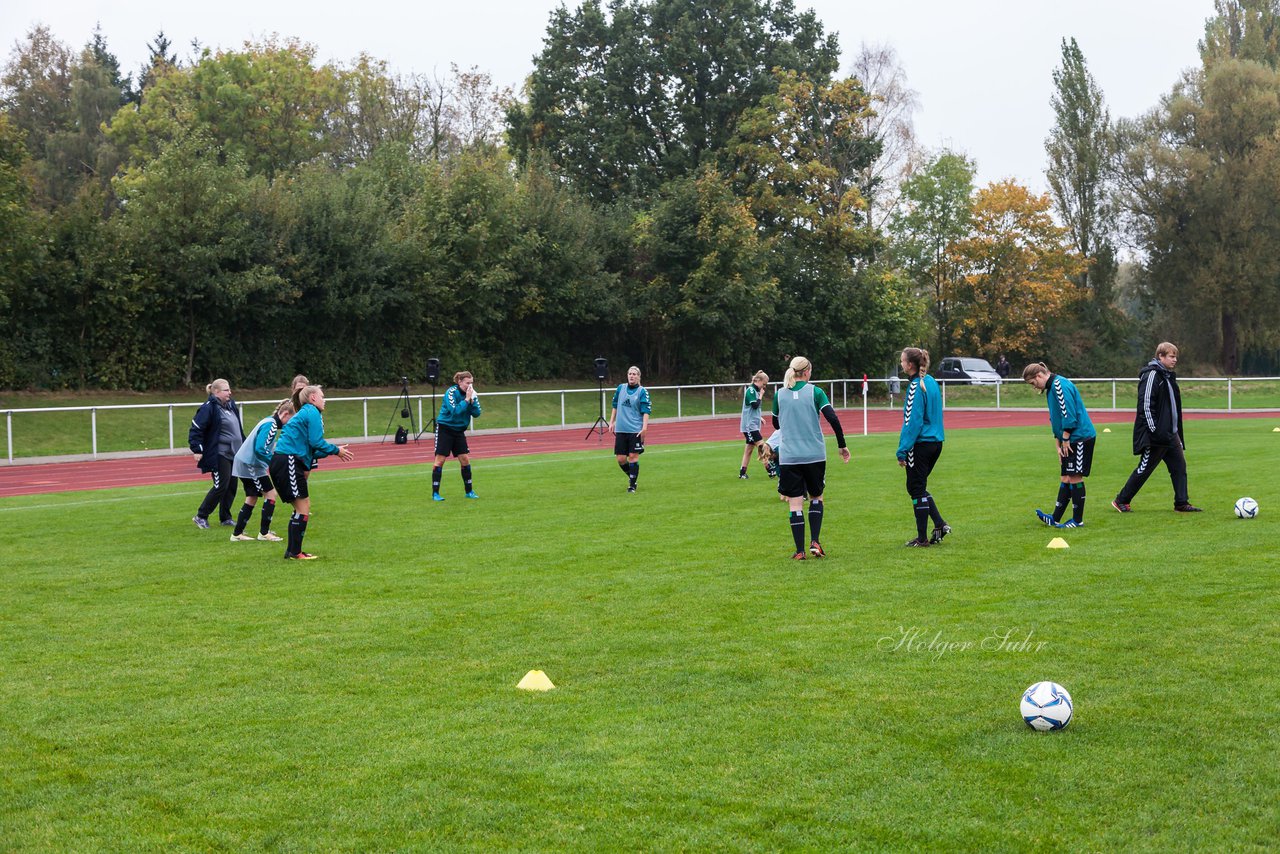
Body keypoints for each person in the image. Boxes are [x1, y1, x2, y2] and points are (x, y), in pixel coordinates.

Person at [771, 356, 850, 559]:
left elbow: (775, 424)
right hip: (814, 455)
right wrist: (842, 445)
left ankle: (799, 551)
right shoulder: (816, 392)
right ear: (807, 372)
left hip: (789, 457)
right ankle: (815, 541)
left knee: (795, 503)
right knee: (817, 497)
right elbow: (832, 418)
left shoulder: (779, 395)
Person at [1112, 342, 1202, 513]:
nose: (1175, 360)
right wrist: (1155, 431)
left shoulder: (1167, 376)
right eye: (1171, 356)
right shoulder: (1152, 374)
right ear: (1160, 356)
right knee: (1145, 468)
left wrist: (1173, 431)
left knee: (1179, 466)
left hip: (1170, 434)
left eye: (1176, 356)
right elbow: (1145, 405)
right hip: (1157, 435)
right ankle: (1121, 500)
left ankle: (1181, 503)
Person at [269, 385, 354, 559]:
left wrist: (335, 450)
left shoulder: (306, 413)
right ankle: (295, 552)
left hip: (285, 461)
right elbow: (316, 442)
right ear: (313, 398)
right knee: (303, 507)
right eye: (322, 396)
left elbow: (312, 449)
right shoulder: (312, 412)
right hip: (288, 461)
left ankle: (293, 551)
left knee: (301, 507)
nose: (324, 400)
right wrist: (335, 450)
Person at [1023, 363, 1096, 528]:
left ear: (1040, 375)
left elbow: (1068, 415)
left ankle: (1078, 520)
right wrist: (1058, 445)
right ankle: (1055, 518)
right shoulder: (1051, 389)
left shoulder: (1058, 386)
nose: (1035, 388)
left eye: (1033, 384)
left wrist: (1065, 439)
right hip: (1068, 439)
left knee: (1075, 476)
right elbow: (1055, 419)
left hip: (1079, 437)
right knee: (1065, 477)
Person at [896, 348, 949, 547]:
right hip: (936, 442)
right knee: (918, 486)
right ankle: (939, 524)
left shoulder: (915, 387)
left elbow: (912, 422)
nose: (901, 364)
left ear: (910, 365)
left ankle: (922, 538)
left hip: (921, 444)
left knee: (916, 488)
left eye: (902, 361)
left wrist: (902, 449)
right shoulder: (931, 382)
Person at [229, 398, 295, 542]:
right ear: (285, 414)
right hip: (249, 464)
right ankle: (264, 533)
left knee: (252, 497)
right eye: (292, 419)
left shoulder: (269, 421)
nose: (291, 423)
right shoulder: (271, 424)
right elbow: (260, 449)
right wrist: (273, 463)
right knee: (270, 494)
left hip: (249, 463)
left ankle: (237, 534)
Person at [189, 378, 244, 530]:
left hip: (234, 452)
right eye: (226, 390)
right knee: (221, 485)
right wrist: (197, 449)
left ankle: (225, 517)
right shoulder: (209, 408)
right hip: (219, 453)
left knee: (232, 485)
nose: (230, 392)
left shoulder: (230, 405)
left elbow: (237, 428)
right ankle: (201, 516)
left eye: (229, 389)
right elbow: (196, 428)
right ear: (216, 392)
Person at [432, 370, 482, 501]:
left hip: (459, 431)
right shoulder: (451, 393)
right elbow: (455, 411)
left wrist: (472, 401)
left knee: (465, 459)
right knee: (440, 460)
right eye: (467, 383)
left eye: (471, 383)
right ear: (460, 382)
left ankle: (469, 491)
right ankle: (435, 493)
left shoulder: (472, 394)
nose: (470, 386)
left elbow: (477, 413)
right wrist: (466, 400)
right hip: (445, 429)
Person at [608, 365, 651, 493]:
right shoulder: (621, 388)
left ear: (639, 377)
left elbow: (646, 411)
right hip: (621, 429)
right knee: (621, 459)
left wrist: (644, 428)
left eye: (634, 374)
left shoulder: (642, 391)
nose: (632, 376)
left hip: (635, 430)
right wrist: (612, 422)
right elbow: (615, 406)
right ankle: (632, 476)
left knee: (633, 456)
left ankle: (632, 485)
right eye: (630, 374)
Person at [738, 371, 770, 479]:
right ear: (758, 381)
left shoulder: (755, 391)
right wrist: (761, 395)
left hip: (753, 425)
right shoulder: (751, 390)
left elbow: (751, 410)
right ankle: (770, 469)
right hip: (749, 427)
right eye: (764, 384)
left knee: (749, 450)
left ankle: (742, 472)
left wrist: (759, 417)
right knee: (762, 446)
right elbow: (755, 405)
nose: (764, 387)